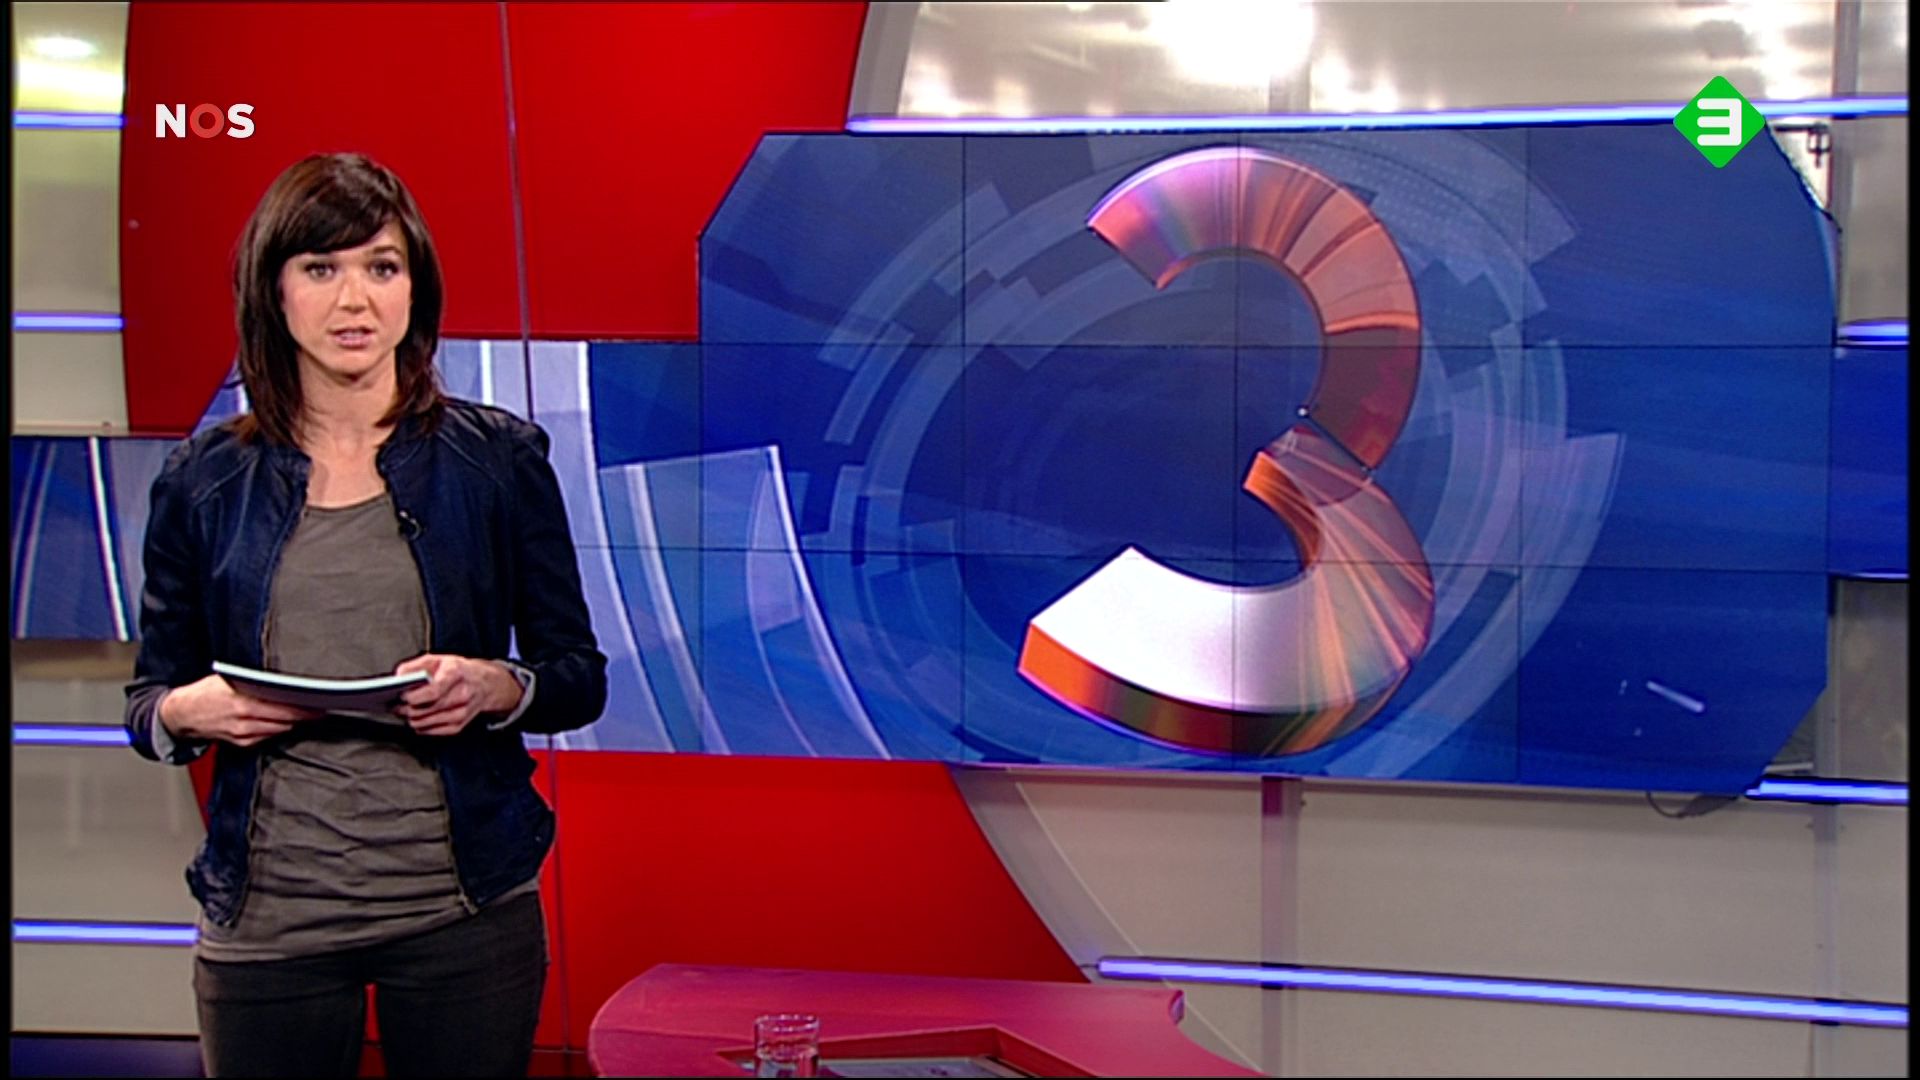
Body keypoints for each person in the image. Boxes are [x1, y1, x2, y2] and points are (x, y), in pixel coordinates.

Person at [122, 152, 608, 1078]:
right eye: (322, 268)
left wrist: (495, 687)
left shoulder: (497, 461)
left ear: (414, 288)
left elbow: (577, 677)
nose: (355, 299)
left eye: (382, 267)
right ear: (274, 290)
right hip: (271, 919)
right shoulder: (203, 482)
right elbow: (148, 704)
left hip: (462, 912)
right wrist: (189, 711)